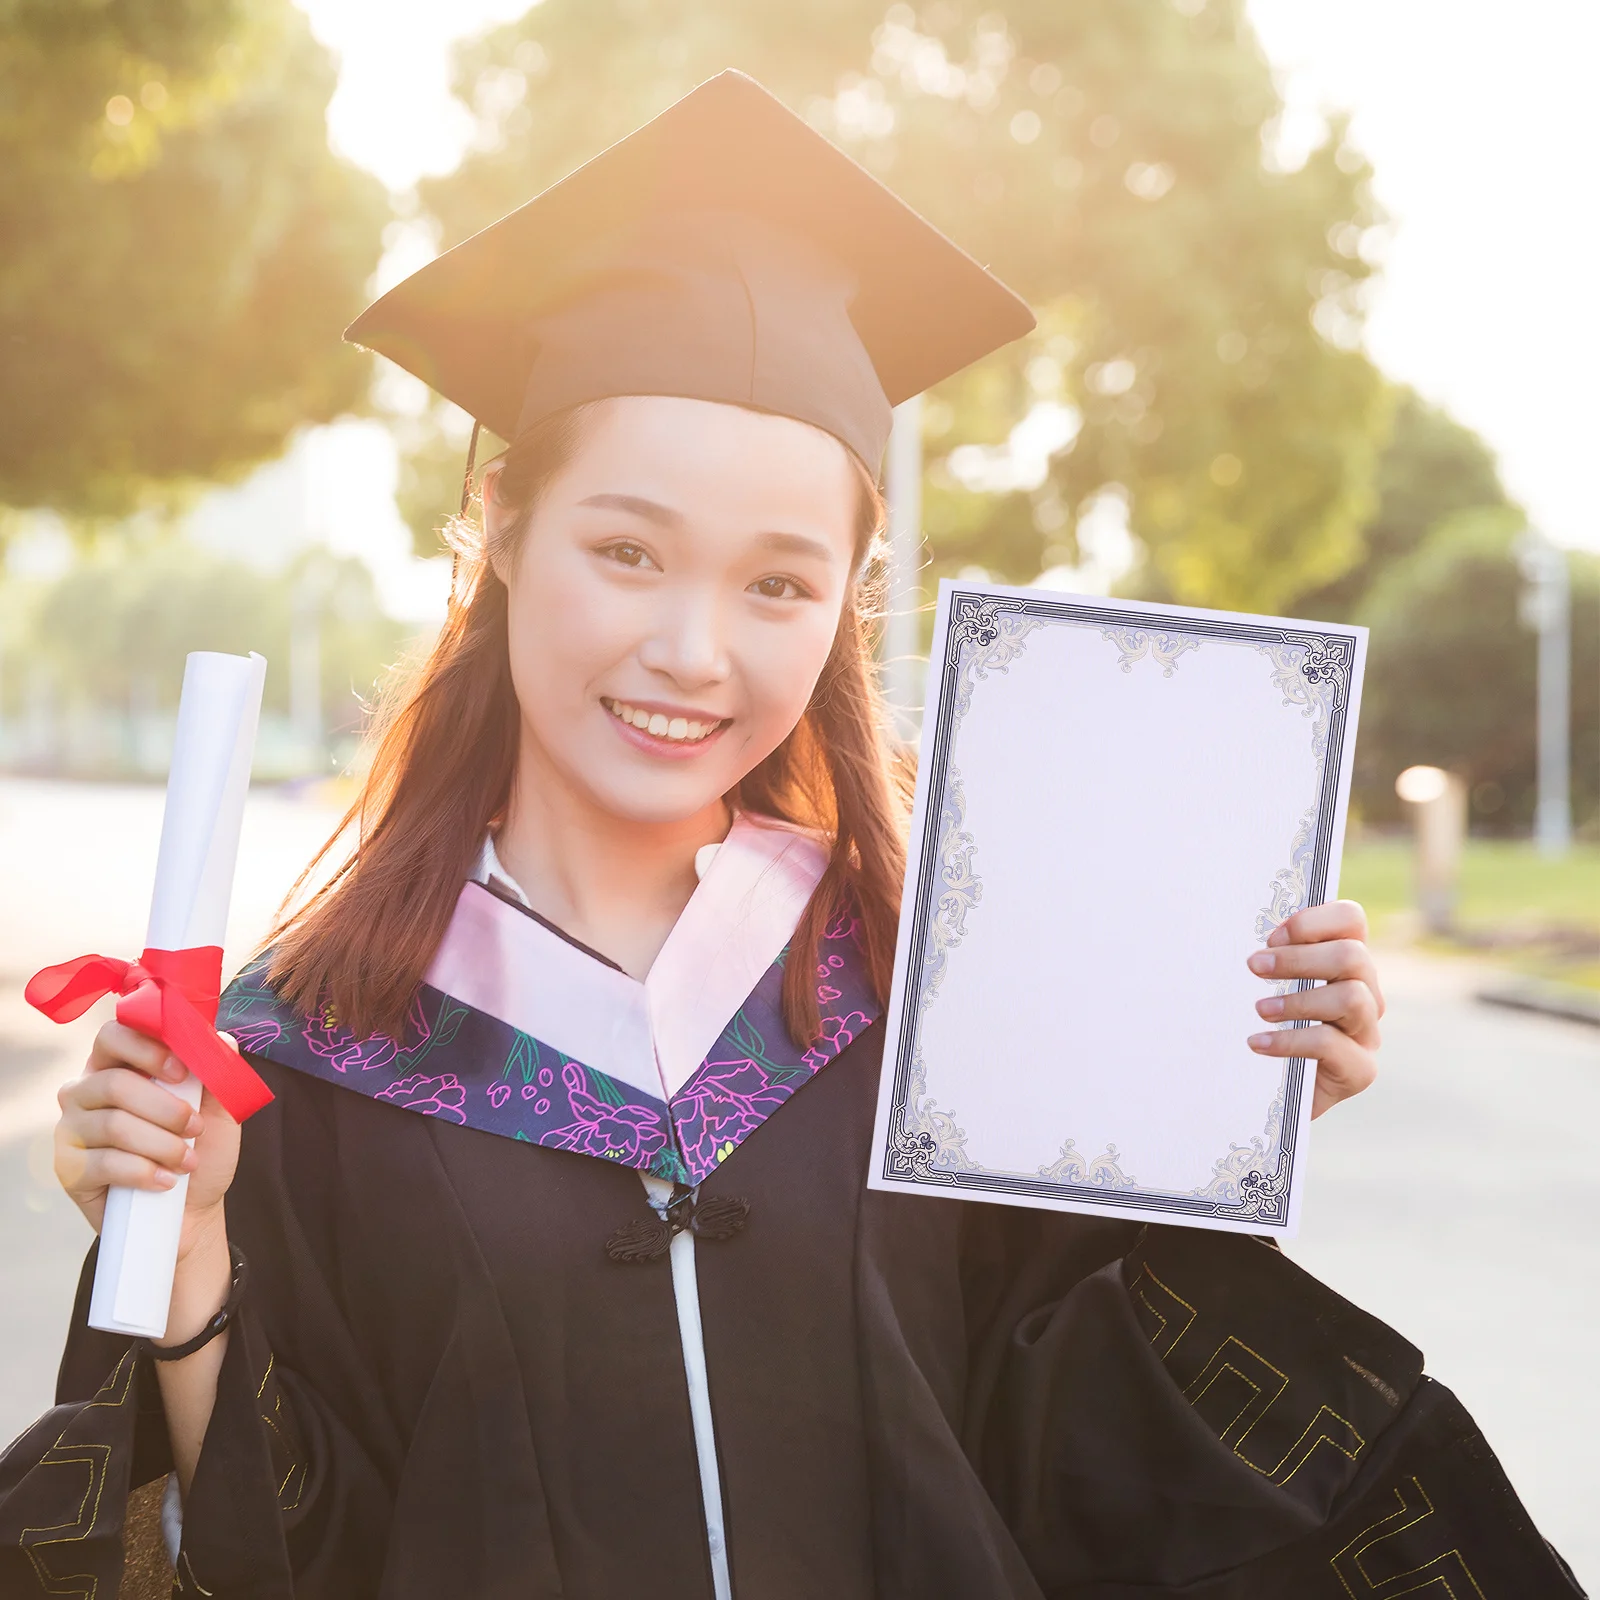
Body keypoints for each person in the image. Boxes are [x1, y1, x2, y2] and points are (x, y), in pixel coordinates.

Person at [0, 71, 1581, 1600]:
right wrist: (188, 1249)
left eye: (777, 583)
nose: (694, 652)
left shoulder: (934, 1001)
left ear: (846, 603)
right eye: (629, 551)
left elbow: (1092, 1462)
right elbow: (298, 1551)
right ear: (500, 534)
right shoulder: (312, 1053)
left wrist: (1211, 1113)